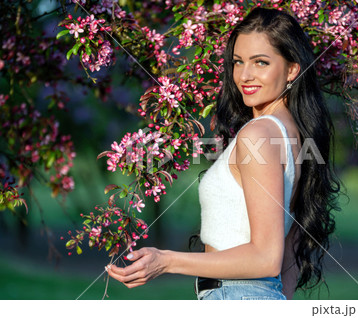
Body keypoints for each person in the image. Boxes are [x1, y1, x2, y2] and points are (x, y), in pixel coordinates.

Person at [106, 7, 341, 300]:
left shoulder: (258, 134)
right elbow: (289, 247)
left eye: (261, 62)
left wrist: (166, 260)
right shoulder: (292, 133)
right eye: (238, 61)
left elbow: (266, 257)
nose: (244, 75)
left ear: (292, 69)